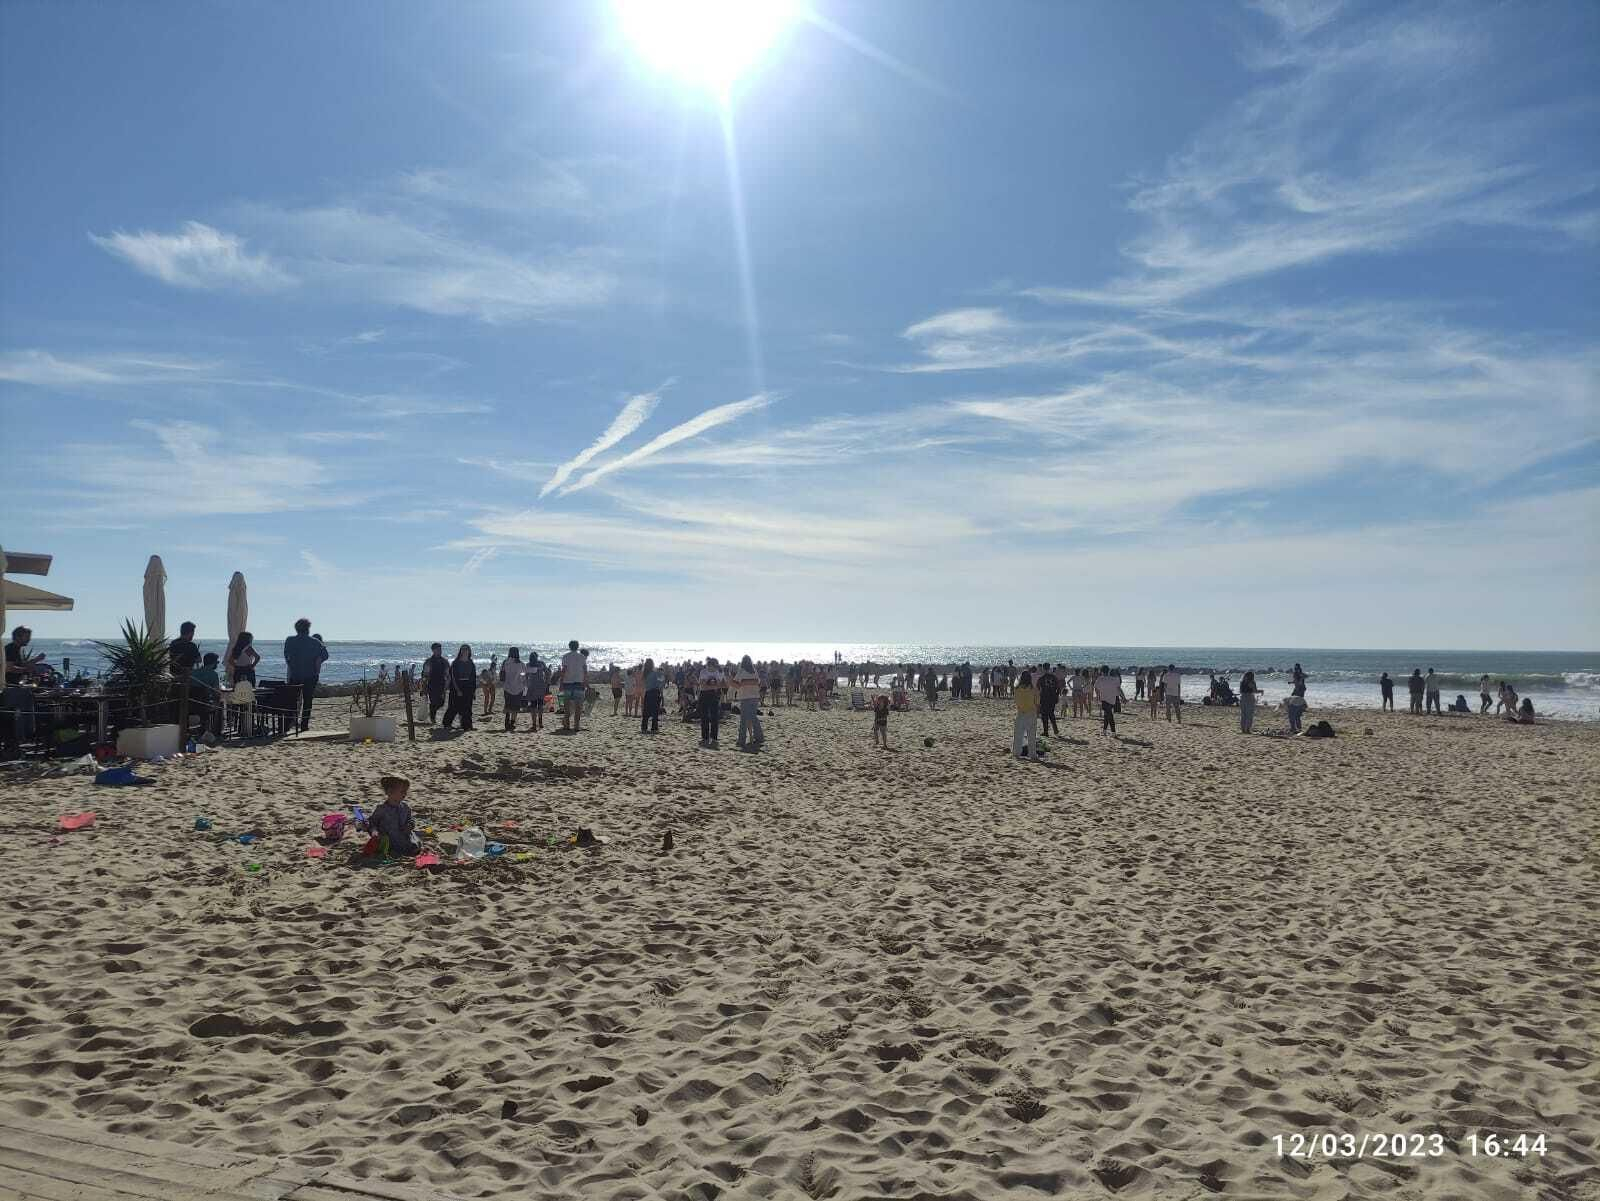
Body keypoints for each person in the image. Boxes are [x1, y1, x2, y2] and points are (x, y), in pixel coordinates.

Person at [283, 618, 328, 732]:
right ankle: (304, 725)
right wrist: (316, 664)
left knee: (292, 700)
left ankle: (288, 724)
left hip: (295, 674)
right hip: (311, 675)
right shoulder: (315, 642)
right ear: (308, 628)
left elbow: (287, 656)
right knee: (308, 701)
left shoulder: (290, 640)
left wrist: (293, 665)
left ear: (296, 629)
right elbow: (325, 655)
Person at [369, 775, 420, 857]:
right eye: (402, 791)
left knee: (414, 846)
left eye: (406, 791)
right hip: (389, 840)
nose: (405, 794)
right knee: (392, 850)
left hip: (405, 837)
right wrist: (374, 832)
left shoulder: (405, 807)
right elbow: (372, 822)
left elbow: (410, 818)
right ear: (390, 792)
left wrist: (410, 825)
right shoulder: (382, 809)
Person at [733, 654, 764, 751]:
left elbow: (736, 684)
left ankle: (741, 740)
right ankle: (759, 737)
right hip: (754, 697)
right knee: (753, 717)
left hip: (745, 697)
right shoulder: (754, 671)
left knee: (744, 720)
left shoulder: (741, 671)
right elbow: (758, 683)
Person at [442, 644, 477, 731]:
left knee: (467, 707)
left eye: (466, 650)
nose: (465, 651)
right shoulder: (456, 663)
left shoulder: (471, 663)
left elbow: (473, 677)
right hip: (457, 686)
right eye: (463, 650)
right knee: (454, 707)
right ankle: (447, 723)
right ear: (460, 651)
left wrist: (473, 691)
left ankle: (467, 726)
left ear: (469, 651)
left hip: (468, 686)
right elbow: (453, 677)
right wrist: (457, 689)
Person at [558, 639, 586, 732]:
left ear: (570, 647)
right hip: (578, 683)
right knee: (578, 707)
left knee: (567, 706)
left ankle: (567, 725)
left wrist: (561, 683)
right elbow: (585, 671)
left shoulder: (566, 656)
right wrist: (585, 682)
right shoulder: (582, 657)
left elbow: (564, 670)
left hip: (568, 683)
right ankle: (576, 726)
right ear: (577, 647)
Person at [697, 657, 726, 748]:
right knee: (704, 717)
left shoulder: (718, 672)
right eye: (710, 666)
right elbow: (702, 685)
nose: (712, 668)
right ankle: (705, 737)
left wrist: (712, 686)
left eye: (713, 666)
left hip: (714, 695)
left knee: (714, 717)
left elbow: (723, 684)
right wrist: (714, 686)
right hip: (704, 695)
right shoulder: (703, 672)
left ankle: (714, 737)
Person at [1013, 670, 1040, 760]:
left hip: (1020, 713)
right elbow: (1037, 703)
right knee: (1031, 736)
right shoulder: (1034, 689)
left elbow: (1016, 702)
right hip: (1031, 713)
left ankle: (1016, 753)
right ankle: (1032, 754)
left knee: (1018, 736)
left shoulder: (1016, 689)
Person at [499, 647, 527, 732]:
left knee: (508, 704)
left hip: (507, 687)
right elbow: (523, 676)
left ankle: (506, 721)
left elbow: (502, 673)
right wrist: (522, 682)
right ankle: (512, 723)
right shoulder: (521, 664)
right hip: (518, 688)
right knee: (515, 707)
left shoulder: (505, 662)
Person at [422, 643, 449, 725]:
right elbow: (425, 674)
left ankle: (432, 712)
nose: (439, 651)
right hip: (432, 684)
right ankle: (433, 718)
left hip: (442, 684)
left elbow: (448, 673)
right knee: (433, 702)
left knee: (441, 703)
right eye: (437, 649)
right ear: (433, 650)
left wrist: (448, 684)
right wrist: (423, 686)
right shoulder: (429, 661)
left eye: (440, 649)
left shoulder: (444, 661)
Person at [1093, 664, 1120, 735]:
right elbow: (1119, 689)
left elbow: (1095, 688)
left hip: (1104, 699)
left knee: (1109, 715)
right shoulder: (1114, 679)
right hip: (1112, 700)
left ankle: (1113, 732)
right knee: (1107, 715)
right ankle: (1104, 731)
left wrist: (1098, 696)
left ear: (1102, 671)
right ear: (1108, 671)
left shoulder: (1100, 679)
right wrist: (1123, 698)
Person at [527, 653, 549, 733]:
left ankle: (534, 724)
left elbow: (526, 676)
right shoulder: (541, 663)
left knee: (533, 706)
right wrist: (547, 682)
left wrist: (525, 684)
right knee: (540, 704)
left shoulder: (528, 665)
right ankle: (540, 722)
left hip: (532, 686)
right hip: (541, 685)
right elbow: (547, 672)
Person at [641, 658, 663, 734]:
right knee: (655, 711)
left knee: (646, 711)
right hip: (654, 692)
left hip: (647, 693)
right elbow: (659, 683)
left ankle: (644, 727)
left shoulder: (645, 673)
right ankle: (654, 727)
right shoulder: (654, 673)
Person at [1037, 664, 1061, 736]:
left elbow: (1038, 688)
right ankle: (1055, 729)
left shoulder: (1041, 678)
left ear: (1043, 669)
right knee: (1051, 713)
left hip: (1044, 698)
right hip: (1052, 698)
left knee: (1044, 715)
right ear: (1049, 668)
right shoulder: (1054, 677)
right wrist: (1056, 695)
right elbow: (1058, 688)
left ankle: (1046, 731)